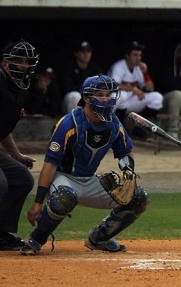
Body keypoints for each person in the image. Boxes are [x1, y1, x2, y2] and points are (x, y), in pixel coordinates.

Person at [20, 75, 148, 255]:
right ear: (87, 98)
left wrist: (128, 171)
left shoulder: (113, 122)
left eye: (108, 94)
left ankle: (99, 238)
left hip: (89, 181)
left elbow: (125, 153)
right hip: (64, 178)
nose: (106, 99)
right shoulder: (68, 123)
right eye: (100, 95)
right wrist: (37, 202)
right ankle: (36, 239)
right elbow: (49, 164)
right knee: (65, 197)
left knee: (138, 197)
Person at [0, 39, 38, 250]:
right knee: (0, 183)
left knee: (21, 178)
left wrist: (16, 155)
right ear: (5, 64)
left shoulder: (18, 87)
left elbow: (3, 128)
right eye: (18, 61)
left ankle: (2, 233)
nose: (23, 65)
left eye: (26, 61)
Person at [108, 41, 163, 139]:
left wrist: (145, 73)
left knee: (157, 97)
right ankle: (105, 126)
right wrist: (133, 88)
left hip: (131, 102)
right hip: (118, 103)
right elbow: (113, 86)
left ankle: (137, 128)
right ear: (127, 55)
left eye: (139, 55)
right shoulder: (119, 66)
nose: (138, 58)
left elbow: (150, 88)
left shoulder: (139, 69)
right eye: (135, 55)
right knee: (119, 95)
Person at [59, 41, 103, 114]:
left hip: (90, 101)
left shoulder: (95, 69)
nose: (86, 54)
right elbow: (67, 88)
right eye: (82, 51)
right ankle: (74, 124)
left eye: (88, 51)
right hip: (69, 103)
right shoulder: (69, 68)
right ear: (76, 54)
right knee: (74, 95)